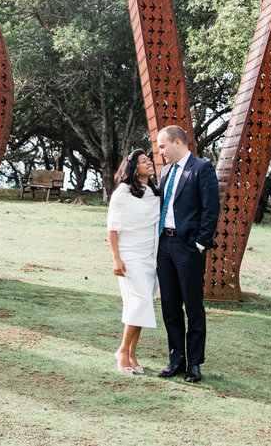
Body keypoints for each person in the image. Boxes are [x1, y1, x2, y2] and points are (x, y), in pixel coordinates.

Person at [154, 124, 219, 384]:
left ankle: (194, 364)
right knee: (170, 306)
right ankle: (176, 360)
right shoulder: (164, 172)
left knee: (193, 307)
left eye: (162, 146)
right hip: (164, 247)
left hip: (188, 248)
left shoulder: (202, 168)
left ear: (178, 143)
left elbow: (211, 209)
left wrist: (200, 244)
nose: (160, 152)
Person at [106, 148, 161, 375]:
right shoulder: (122, 192)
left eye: (149, 160)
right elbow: (112, 228)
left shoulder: (154, 192)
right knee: (139, 303)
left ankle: (132, 353)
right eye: (143, 161)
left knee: (143, 305)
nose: (149, 162)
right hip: (130, 256)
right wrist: (116, 258)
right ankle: (121, 350)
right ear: (133, 168)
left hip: (151, 257)